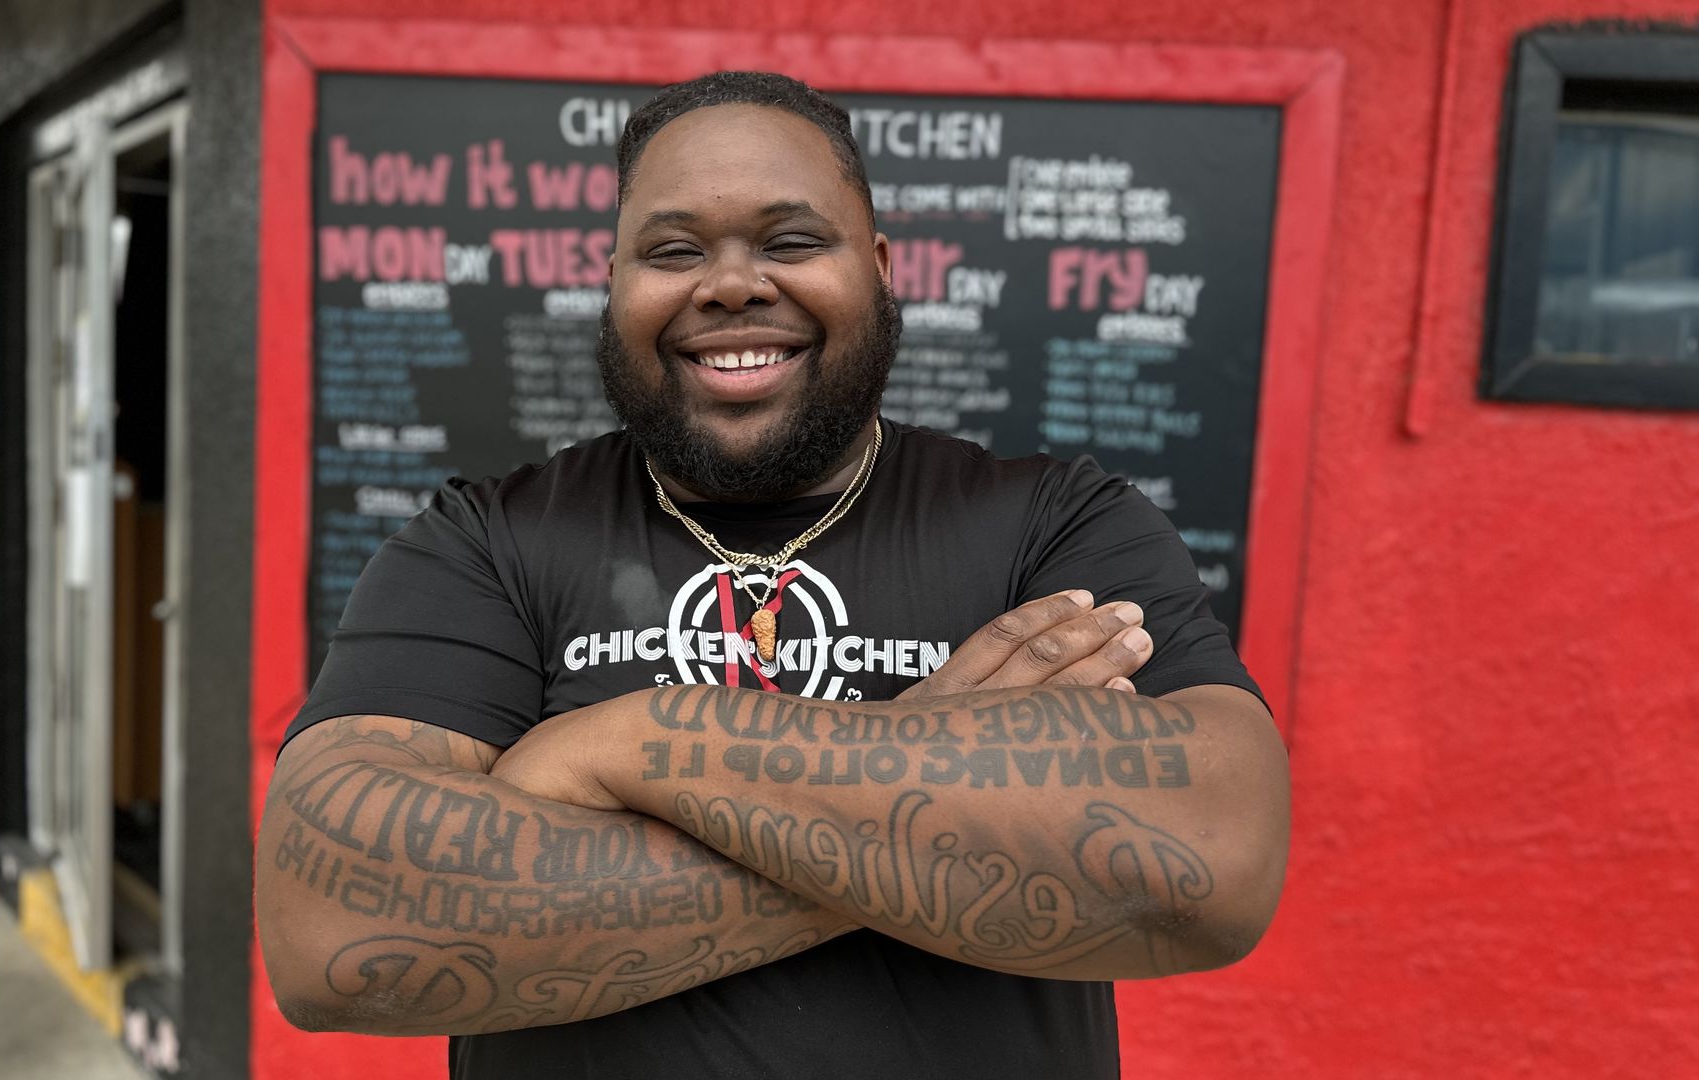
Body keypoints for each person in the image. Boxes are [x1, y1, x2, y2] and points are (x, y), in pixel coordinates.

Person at [258, 71, 1289, 1079]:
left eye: (792, 241)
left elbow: (1214, 862)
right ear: (611, 281)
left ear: (881, 267)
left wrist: (634, 740)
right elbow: (332, 930)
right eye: (673, 250)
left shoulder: (1056, 525)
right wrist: (932, 770)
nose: (733, 283)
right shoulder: (485, 540)